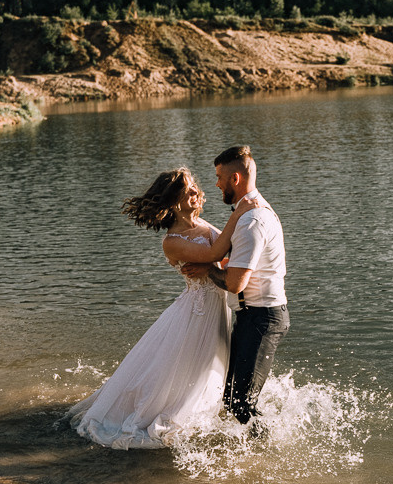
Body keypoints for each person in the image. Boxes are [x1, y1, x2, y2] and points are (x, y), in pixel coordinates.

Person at [68, 167, 260, 449]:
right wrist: (240, 212)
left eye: (195, 185)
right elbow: (214, 253)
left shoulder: (203, 225)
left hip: (216, 309)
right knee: (189, 367)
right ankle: (173, 414)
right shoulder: (171, 242)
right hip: (197, 313)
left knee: (206, 368)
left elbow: (225, 253)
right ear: (173, 200)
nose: (196, 190)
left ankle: (206, 414)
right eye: (187, 188)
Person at [182, 146, 288, 434]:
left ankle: (268, 455)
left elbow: (234, 283)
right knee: (232, 399)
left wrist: (207, 270)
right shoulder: (248, 214)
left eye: (219, 177)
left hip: (262, 318)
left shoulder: (252, 220)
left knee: (240, 403)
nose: (216, 183)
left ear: (236, 178)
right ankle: (258, 447)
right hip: (251, 316)